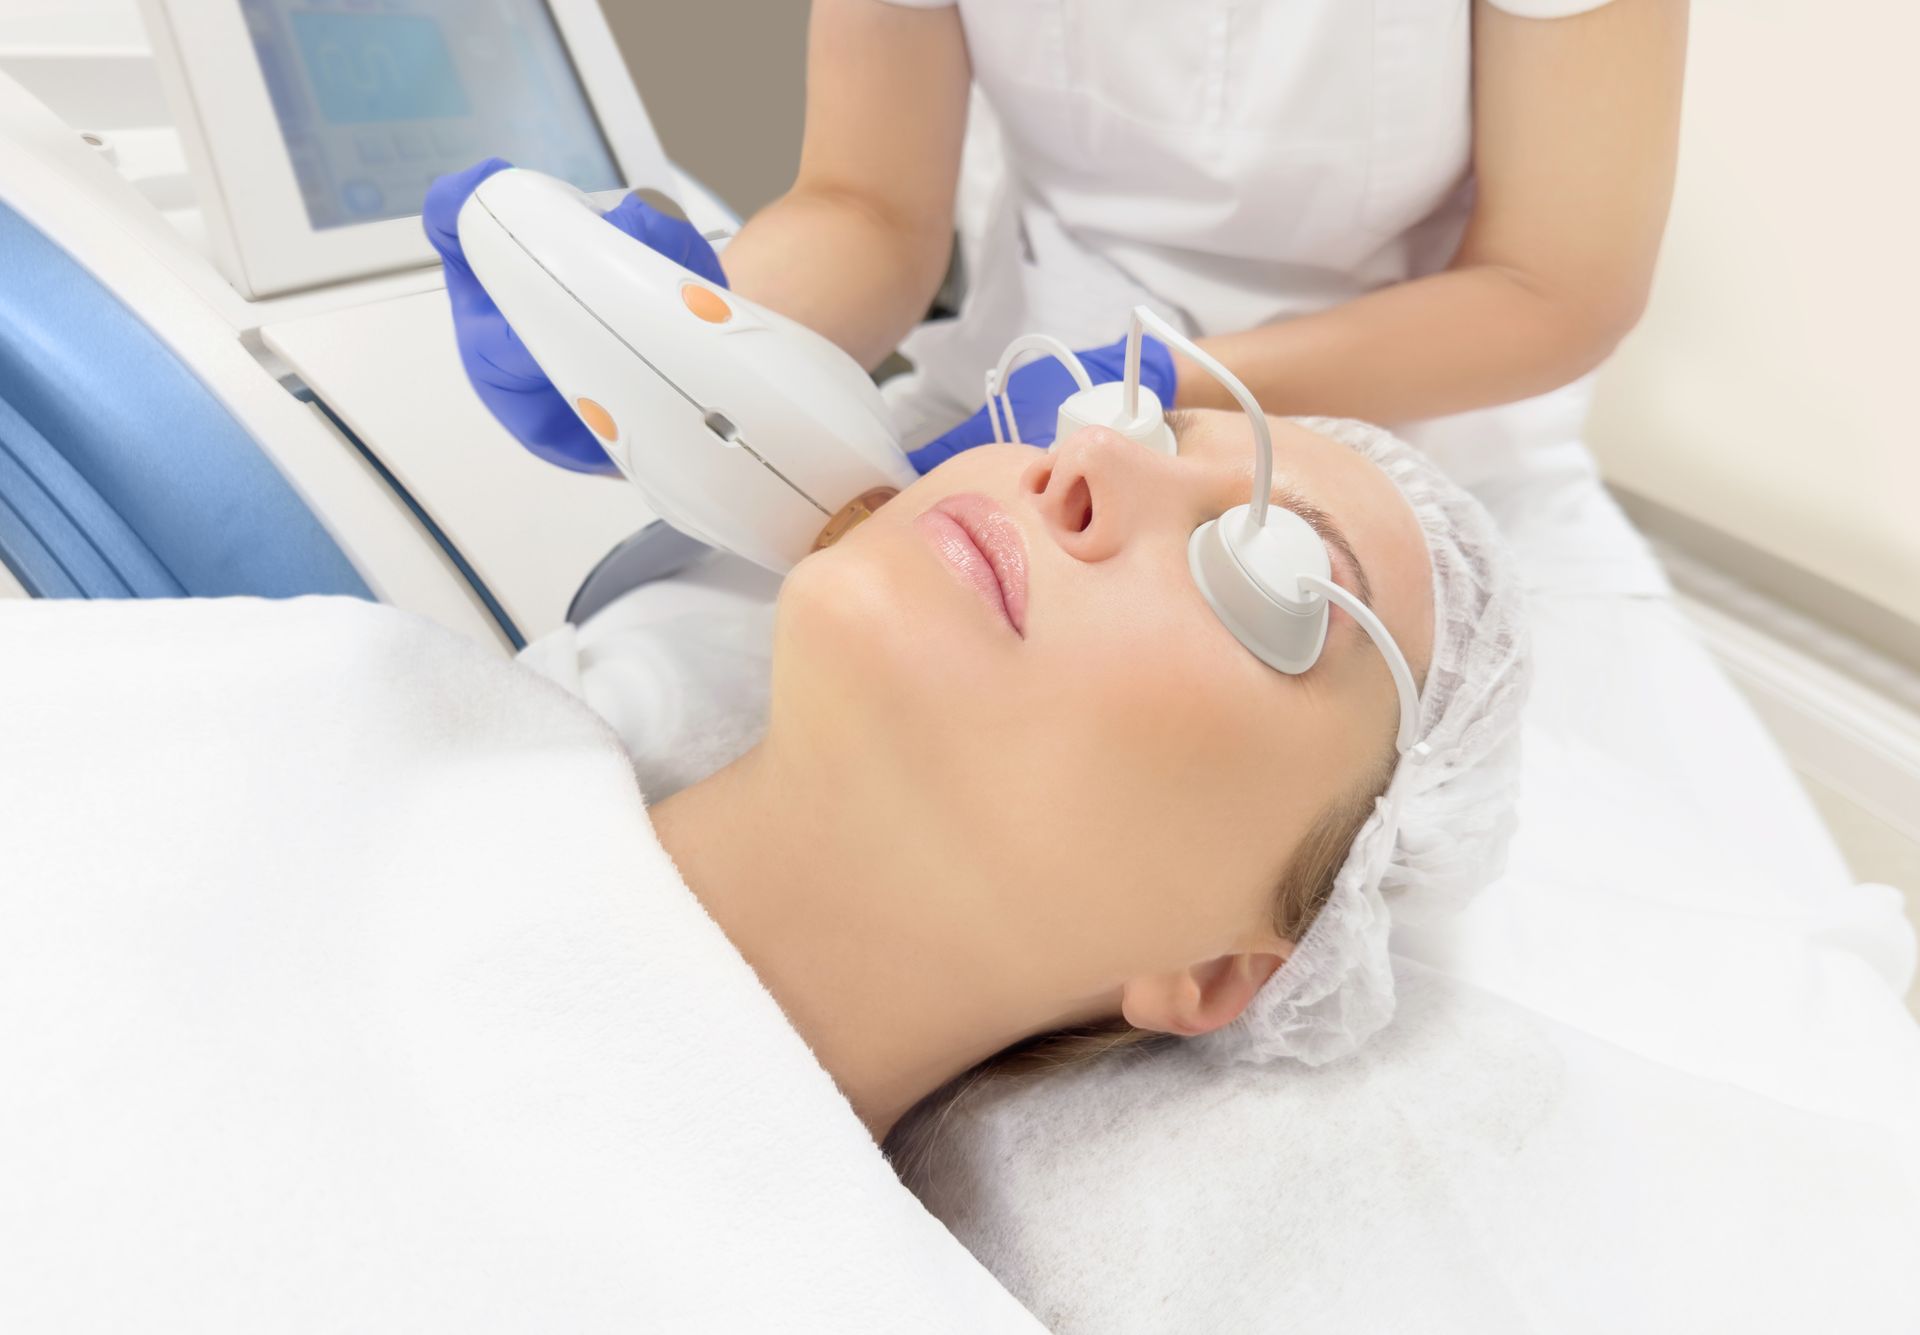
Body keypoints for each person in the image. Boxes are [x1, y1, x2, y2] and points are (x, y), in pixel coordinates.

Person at [427, 0, 1687, 607]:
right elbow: (871, 204)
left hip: (1416, 462)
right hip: (1011, 416)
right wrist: (686, 326)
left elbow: (1552, 287)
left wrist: (1157, 387)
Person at [542, 410, 1528, 1138]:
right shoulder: (398, 723)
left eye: (1269, 567)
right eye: (1138, 420)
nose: (1085, 458)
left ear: (1222, 972)